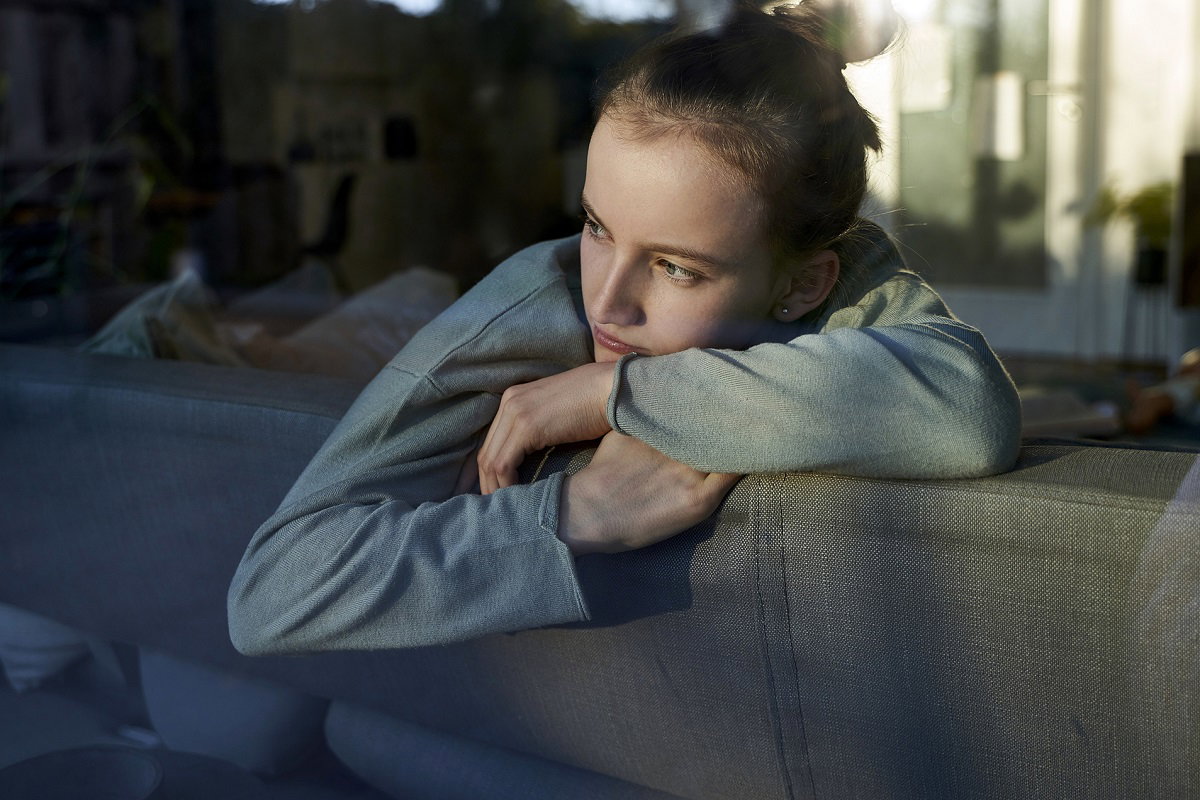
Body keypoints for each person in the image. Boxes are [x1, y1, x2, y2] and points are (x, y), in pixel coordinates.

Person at [227, 1, 1022, 655]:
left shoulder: (845, 292)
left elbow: (971, 407)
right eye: (596, 226)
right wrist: (572, 515)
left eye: (677, 268)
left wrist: (617, 389)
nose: (605, 301)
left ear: (802, 284)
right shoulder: (533, 305)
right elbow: (274, 593)